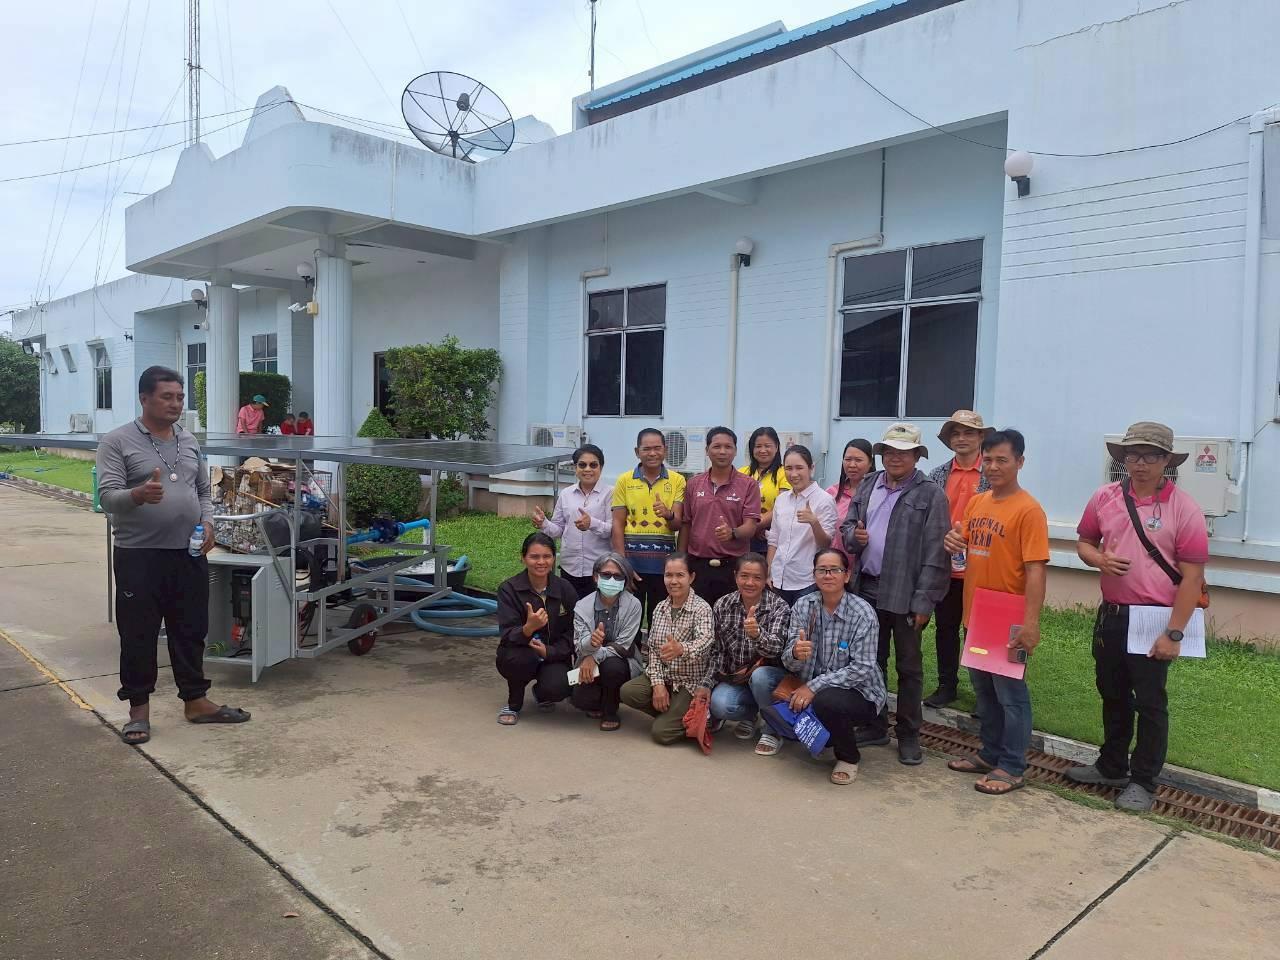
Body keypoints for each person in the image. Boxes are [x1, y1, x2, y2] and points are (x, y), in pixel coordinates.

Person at [95, 365, 252, 745]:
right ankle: (138, 712)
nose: (176, 404)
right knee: (138, 635)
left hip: (188, 553)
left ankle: (196, 702)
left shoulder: (189, 440)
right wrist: (137, 495)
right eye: (167, 396)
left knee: (190, 630)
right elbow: (107, 497)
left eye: (180, 397)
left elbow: (203, 490)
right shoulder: (117, 442)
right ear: (144, 398)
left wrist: (209, 523)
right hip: (139, 555)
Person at [1067, 422, 1208, 812]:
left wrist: (1174, 633)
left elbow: (1192, 576)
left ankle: (1144, 780)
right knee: (1112, 693)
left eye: (1150, 455)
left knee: (1150, 702)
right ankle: (1111, 765)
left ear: (1166, 461)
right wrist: (1099, 559)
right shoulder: (1105, 497)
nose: (1140, 463)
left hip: (1155, 618)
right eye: (1133, 455)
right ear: (1123, 459)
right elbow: (1084, 542)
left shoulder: (1184, 508)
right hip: (1112, 615)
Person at [942, 429, 1048, 796]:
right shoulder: (977, 502)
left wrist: (1031, 624)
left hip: (1010, 617)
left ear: (1020, 462)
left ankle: (1013, 766)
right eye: (988, 460)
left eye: (1002, 460)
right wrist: (953, 540)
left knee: (1011, 696)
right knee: (984, 692)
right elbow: (965, 542)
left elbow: (1036, 570)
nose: (993, 466)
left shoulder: (1029, 510)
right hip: (977, 614)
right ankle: (989, 754)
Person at [840, 422, 950, 765]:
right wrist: (853, 537)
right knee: (870, 662)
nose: (894, 457)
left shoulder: (931, 494)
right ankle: (875, 725)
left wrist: (924, 601)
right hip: (867, 589)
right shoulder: (869, 483)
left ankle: (908, 734)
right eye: (889, 451)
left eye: (903, 452)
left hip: (906, 592)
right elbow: (848, 525)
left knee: (909, 667)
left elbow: (936, 553)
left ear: (916, 456)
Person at [761, 548, 885, 785]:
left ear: (846, 575)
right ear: (814, 575)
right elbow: (788, 661)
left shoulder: (863, 613)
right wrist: (795, 653)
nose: (828, 575)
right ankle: (797, 732)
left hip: (860, 692)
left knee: (827, 700)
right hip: (808, 684)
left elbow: (862, 668)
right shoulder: (803, 606)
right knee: (763, 678)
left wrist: (814, 687)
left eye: (834, 570)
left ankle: (848, 757)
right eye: (822, 570)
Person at [925, 410, 993, 708]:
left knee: (978, 632)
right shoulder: (937, 475)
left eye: (968, 432)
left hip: (982, 565)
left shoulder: (993, 473)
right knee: (946, 628)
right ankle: (947, 685)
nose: (961, 438)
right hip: (945, 566)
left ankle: (984, 694)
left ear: (981, 437)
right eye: (956, 433)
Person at [619, 554, 716, 744]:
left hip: (689, 682)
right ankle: (673, 714)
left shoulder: (702, 608)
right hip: (665, 676)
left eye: (680, 575)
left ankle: (695, 716)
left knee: (661, 734)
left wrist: (682, 649)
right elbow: (654, 650)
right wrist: (658, 685)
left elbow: (706, 641)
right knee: (628, 692)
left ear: (691, 577)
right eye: (668, 575)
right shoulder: (660, 608)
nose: (673, 581)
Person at [705, 553, 792, 742]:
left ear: (766, 578)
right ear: (735, 576)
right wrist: (706, 685)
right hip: (736, 678)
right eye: (744, 576)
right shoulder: (723, 604)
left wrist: (757, 635)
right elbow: (716, 651)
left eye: (757, 577)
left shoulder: (779, 606)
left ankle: (772, 729)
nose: (750, 583)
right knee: (719, 705)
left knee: (760, 677)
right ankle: (750, 715)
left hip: (769, 679)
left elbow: (776, 649)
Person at [494, 532, 577, 725]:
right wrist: (528, 628)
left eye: (547, 556)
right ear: (523, 558)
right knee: (517, 660)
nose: (541, 562)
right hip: (521, 652)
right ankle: (514, 704)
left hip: (554, 654)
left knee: (563, 686)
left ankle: (542, 692)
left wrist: (550, 651)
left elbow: (575, 631)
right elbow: (507, 634)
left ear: (554, 558)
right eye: (534, 556)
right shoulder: (509, 589)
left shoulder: (565, 589)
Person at [677, 427, 761, 606]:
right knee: (698, 616)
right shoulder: (693, 484)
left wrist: (733, 533)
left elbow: (751, 526)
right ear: (707, 450)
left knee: (731, 617)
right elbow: (686, 524)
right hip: (698, 565)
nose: (722, 451)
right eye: (716, 446)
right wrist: (681, 560)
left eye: (728, 447)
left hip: (734, 566)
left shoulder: (749, 485)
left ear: (735, 451)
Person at [611, 428, 685, 624]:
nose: (652, 453)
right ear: (637, 452)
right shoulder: (624, 481)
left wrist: (668, 514)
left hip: (664, 566)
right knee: (628, 619)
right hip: (632, 564)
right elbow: (617, 523)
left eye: (657, 448)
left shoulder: (677, 480)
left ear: (665, 450)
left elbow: (677, 524)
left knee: (660, 620)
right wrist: (622, 564)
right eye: (646, 449)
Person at [570, 552, 644, 731]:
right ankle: (600, 699)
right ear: (595, 577)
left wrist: (594, 656)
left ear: (625, 581)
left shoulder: (634, 605)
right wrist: (591, 642)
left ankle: (611, 711)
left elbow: (623, 645)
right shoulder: (582, 606)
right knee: (580, 700)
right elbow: (580, 645)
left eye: (618, 576)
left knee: (612, 667)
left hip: (621, 661)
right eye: (606, 575)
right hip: (588, 661)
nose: (611, 580)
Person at [532, 444, 614, 600]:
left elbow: (613, 530)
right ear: (575, 467)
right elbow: (558, 529)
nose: (587, 469)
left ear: (601, 467)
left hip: (599, 568)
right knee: (571, 609)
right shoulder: (566, 494)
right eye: (582, 465)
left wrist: (592, 524)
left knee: (597, 611)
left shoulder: (611, 493)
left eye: (593, 465)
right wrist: (543, 523)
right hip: (570, 567)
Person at [768, 445, 838, 604]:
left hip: (807, 581)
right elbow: (774, 539)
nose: (793, 474)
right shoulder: (781, 499)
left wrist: (814, 522)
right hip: (778, 579)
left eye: (799, 468)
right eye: (788, 468)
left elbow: (826, 544)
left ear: (811, 468)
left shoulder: (824, 500)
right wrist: (769, 571)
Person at [826, 438, 874, 576]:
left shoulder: (877, 494)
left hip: (864, 569)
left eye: (858, 460)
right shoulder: (831, 493)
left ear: (870, 463)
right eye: (848, 459)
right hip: (834, 567)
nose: (852, 465)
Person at [741, 427, 790, 554]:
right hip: (742, 537)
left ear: (777, 447)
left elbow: (782, 507)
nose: (763, 450)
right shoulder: (741, 473)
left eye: (767, 446)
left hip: (770, 537)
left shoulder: (785, 473)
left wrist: (754, 526)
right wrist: (747, 529)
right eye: (758, 446)